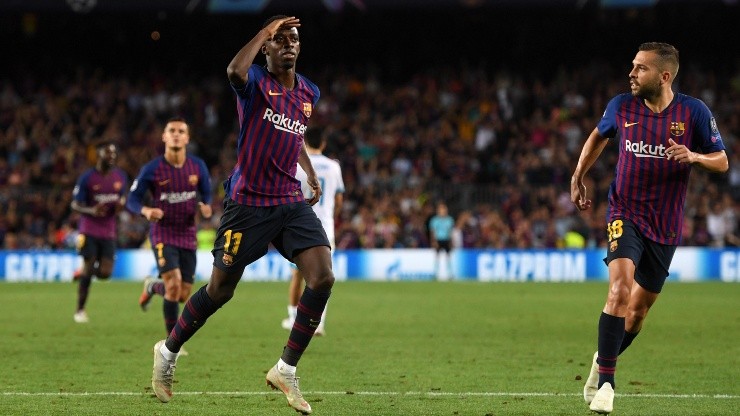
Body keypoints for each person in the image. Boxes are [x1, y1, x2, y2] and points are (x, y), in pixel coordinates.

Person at [150, 16, 333, 415]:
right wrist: (264, 31)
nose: (287, 44)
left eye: (293, 39)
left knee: (322, 276)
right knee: (220, 291)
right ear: (265, 49)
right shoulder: (252, 85)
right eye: (279, 40)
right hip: (247, 205)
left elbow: (295, 133)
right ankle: (168, 351)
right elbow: (233, 69)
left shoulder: (308, 92)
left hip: (288, 201)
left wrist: (310, 170)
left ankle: (286, 368)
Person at [570, 42, 728, 414]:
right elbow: (598, 135)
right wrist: (579, 174)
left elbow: (722, 161)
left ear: (664, 75)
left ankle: (601, 360)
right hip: (624, 213)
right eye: (633, 66)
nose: (632, 73)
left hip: (666, 225)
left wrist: (694, 156)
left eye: (641, 68)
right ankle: (608, 383)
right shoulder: (621, 106)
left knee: (637, 314)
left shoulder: (694, 112)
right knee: (619, 291)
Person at [126, 117, 213, 353]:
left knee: (183, 293)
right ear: (164, 137)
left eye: (181, 131)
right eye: (171, 131)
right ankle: (172, 342)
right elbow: (132, 200)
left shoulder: (197, 167)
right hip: (163, 233)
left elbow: (207, 193)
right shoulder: (152, 169)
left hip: (187, 234)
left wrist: (206, 205)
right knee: (173, 286)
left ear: (187, 138)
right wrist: (145, 210)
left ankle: (153, 287)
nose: (176, 134)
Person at [281, 127, 344, 336]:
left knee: (297, 276)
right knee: (323, 277)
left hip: (298, 226)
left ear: (304, 142)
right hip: (325, 228)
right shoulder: (334, 166)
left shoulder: (296, 164)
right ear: (323, 143)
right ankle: (318, 324)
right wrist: (330, 215)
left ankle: (293, 319)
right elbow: (338, 200)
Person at [70, 141, 128, 323]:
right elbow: (75, 204)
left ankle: (84, 273)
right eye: (107, 153)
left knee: (105, 273)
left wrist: (121, 206)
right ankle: (80, 310)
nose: (111, 157)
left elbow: (122, 198)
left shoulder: (120, 176)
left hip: (109, 231)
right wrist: (91, 211)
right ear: (98, 154)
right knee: (89, 265)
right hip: (89, 229)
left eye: (113, 154)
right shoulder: (87, 178)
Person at [428, 201, 455, 279]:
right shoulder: (435, 220)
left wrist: (451, 241)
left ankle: (450, 273)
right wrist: (434, 241)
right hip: (438, 239)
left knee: (448, 256)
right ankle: (435, 273)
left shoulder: (449, 220)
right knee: (437, 257)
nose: (443, 210)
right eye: (441, 209)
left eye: (444, 209)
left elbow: (450, 231)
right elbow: (433, 231)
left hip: (446, 239)